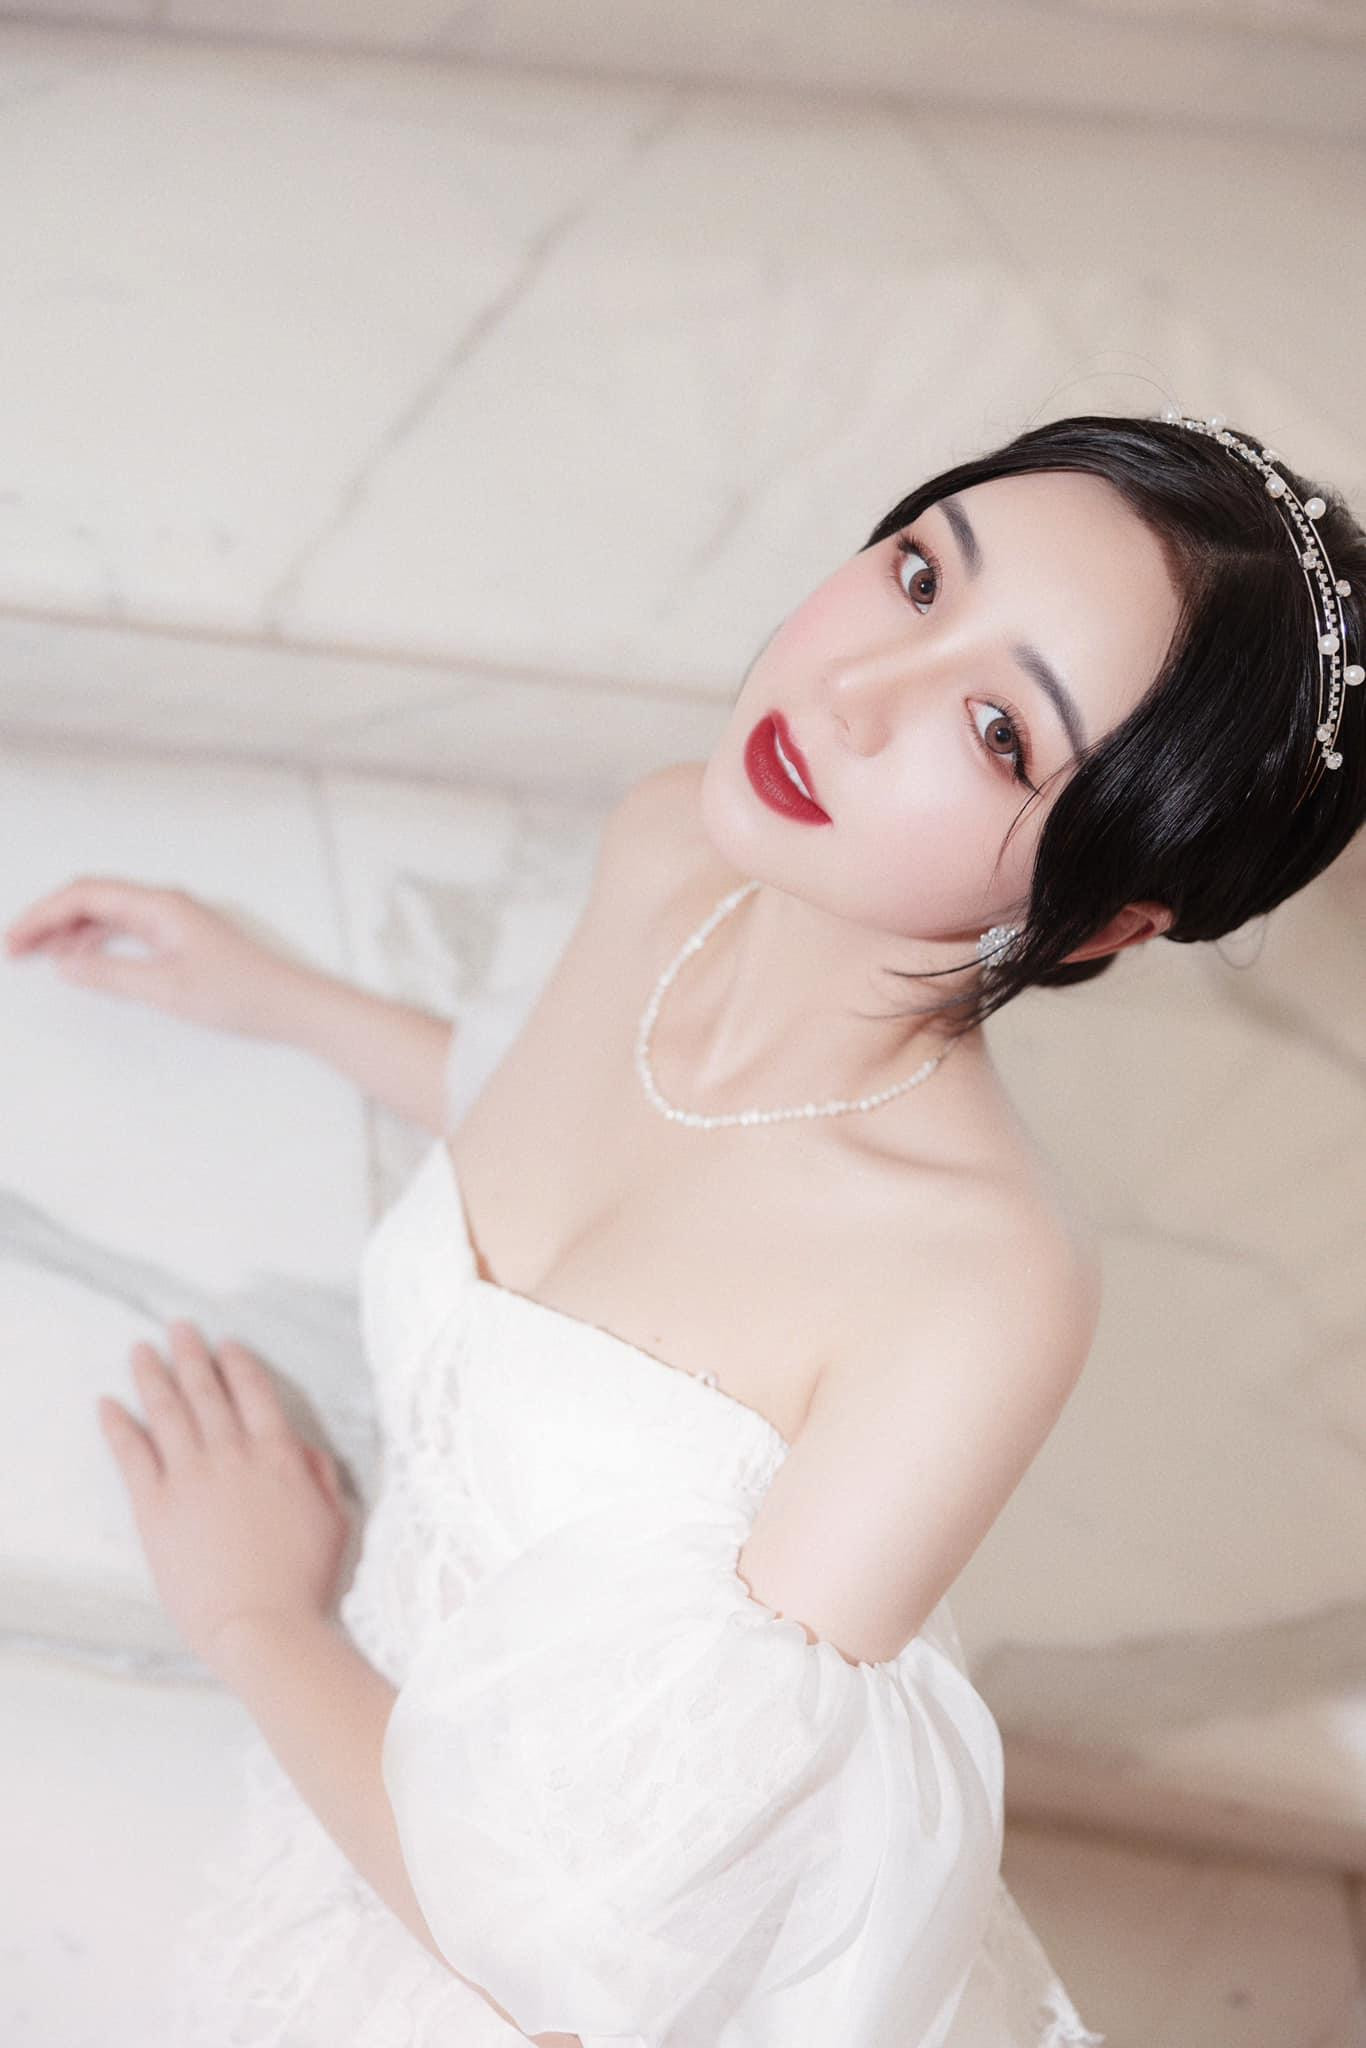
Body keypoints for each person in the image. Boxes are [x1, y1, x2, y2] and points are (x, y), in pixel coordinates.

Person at [9, 407, 1364, 2046]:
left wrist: (256, 1617)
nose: (852, 693)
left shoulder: (976, 1292)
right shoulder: (673, 843)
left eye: (998, 731)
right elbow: (576, 1131)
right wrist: (279, 999)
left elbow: (588, 1956)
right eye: (920, 574)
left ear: (1099, 923)